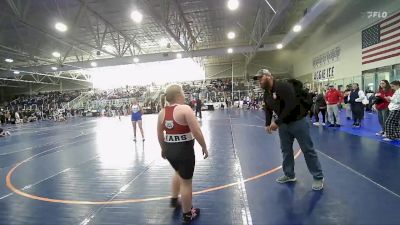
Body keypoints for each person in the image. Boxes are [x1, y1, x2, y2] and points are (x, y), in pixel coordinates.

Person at [253, 69, 324, 191]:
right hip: (284, 126)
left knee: (307, 149)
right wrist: (267, 123)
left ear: (269, 77)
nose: (259, 81)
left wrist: (277, 122)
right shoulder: (266, 93)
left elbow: (291, 105)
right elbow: (268, 109)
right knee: (286, 150)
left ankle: (318, 177)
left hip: (298, 122)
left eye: (260, 78)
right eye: (258, 79)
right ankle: (289, 174)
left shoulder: (283, 87)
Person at [157, 84, 208, 223]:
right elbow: (196, 131)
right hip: (184, 151)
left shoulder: (162, 112)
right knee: (186, 182)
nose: (185, 94)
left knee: (178, 172)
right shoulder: (185, 109)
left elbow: (159, 134)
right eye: (183, 92)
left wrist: (163, 148)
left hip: (170, 151)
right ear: (179, 94)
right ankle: (187, 214)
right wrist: (204, 146)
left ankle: (174, 200)